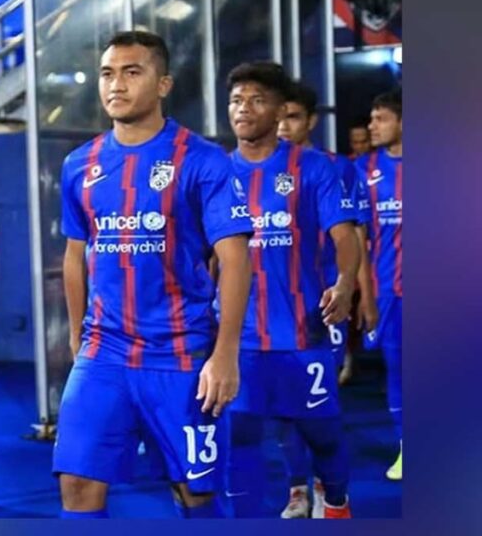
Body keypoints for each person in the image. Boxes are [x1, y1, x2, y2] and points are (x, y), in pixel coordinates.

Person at [55, 30, 253, 519]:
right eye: (107, 73)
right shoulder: (79, 165)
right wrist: (78, 336)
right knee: (77, 484)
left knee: (196, 494)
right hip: (104, 352)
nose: (116, 84)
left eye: (131, 72)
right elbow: (75, 256)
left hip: (181, 355)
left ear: (163, 84)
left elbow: (235, 260)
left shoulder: (203, 160)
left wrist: (226, 354)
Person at [224, 62, 360, 519]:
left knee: (321, 433)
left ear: (281, 110)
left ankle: (335, 500)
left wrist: (345, 283)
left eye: (256, 100)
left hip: (303, 332)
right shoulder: (217, 172)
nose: (243, 109)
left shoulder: (313, 167)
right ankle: (271, 505)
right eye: (236, 100)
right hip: (240, 338)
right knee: (240, 435)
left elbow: (345, 236)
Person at [275, 81, 376, 517]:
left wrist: (360, 294)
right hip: (275, 309)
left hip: (324, 305)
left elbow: (356, 237)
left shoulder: (337, 168)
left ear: (312, 120)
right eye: (278, 116)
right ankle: (297, 487)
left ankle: (326, 485)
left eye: (293, 116)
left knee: (319, 403)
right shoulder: (253, 168)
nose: (283, 125)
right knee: (283, 407)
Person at [356, 89, 403, 482]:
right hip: (389, 290)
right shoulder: (364, 170)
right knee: (398, 370)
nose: (372, 126)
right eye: (372, 118)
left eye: (381, 118)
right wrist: (366, 295)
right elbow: (360, 239)